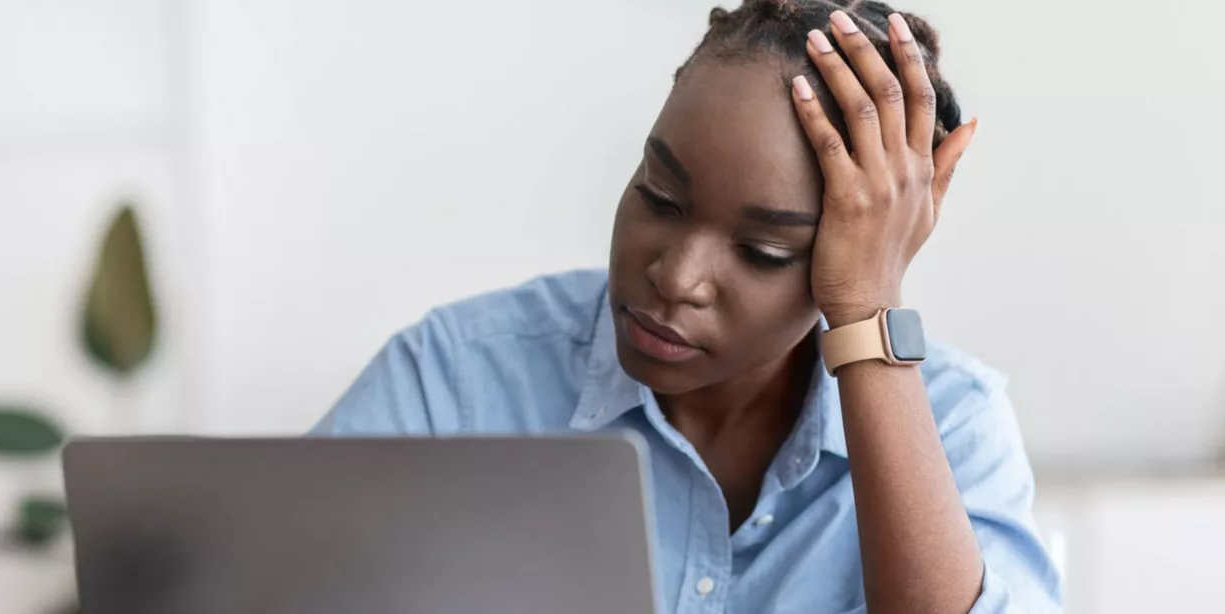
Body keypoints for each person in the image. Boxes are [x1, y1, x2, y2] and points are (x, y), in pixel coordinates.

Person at [311, 0, 1062, 611]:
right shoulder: (459, 379)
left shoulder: (956, 423)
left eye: (764, 252)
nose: (676, 276)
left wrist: (868, 306)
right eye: (659, 197)